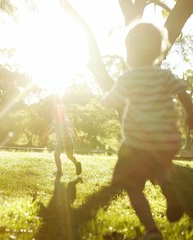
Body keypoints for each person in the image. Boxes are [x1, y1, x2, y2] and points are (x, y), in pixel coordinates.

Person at [101, 22, 193, 240]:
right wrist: (191, 113)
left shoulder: (128, 78)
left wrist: (104, 98)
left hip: (137, 143)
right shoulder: (165, 75)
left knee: (132, 186)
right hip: (167, 140)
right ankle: (168, 188)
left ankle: (152, 230)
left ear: (129, 53)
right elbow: (183, 93)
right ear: (157, 52)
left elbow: (110, 101)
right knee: (158, 164)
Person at [41, 103, 82, 178]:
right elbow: (48, 129)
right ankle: (59, 171)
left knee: (69, 156)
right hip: (60, 143)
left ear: (63, 113)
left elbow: (73, 130)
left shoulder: (66, 121)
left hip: (68, 143)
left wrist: (78, 139)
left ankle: (77, 164)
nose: (57, 115)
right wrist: (43, 137)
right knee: (56, 155)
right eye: (56, 113)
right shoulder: (54, 121)